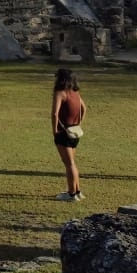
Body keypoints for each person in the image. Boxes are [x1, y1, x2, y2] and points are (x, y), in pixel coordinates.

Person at [52, 68, 87, 201]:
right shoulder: (75, 92)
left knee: (69, 163)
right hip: (75, 131)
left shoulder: (60, 93)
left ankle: (71, 194)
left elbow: (55, 113)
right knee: (72, 163)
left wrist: (54, 130)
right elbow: (84, 108)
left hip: (64, 132)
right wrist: (79, 123)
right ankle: (77, 191)